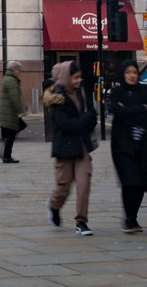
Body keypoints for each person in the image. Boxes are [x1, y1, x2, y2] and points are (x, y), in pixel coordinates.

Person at [45, 60, 98, 236]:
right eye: (75, 78)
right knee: (64, 187)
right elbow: (65, 124)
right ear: (66, 78)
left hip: (82, 147)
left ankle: (81, 221)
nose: (78, 81)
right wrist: (84, 121)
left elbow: (92, 116)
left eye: (79, 77)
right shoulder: (57, 98)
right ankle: (54, 206)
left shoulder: (82, 92)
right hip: (65, 149)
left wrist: (85, 121)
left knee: (84, 185)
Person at [110, 61, 147, 232]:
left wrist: (129, 110)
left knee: (140, 183)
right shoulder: (116, 92)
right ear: (122, 74)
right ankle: (129, 217)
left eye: (134, 72)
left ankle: (133, 217)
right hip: (122, 145)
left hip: (142, 144)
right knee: (129, 181)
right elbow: (117, 111)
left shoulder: (145, 90)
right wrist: (141, 108)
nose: (131, 75)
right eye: (128, 72)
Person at [0, 61, 26, 163]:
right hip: (9, 113)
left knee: (9, 134)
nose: (20, 72)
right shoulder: (11, 80)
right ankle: (6, 155)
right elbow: (14, 98)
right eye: (19, 70)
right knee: (12, 134)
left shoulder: (7, 78)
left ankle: (3, 152)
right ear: (14, 70)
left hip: (4, 112)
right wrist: (20, 111)